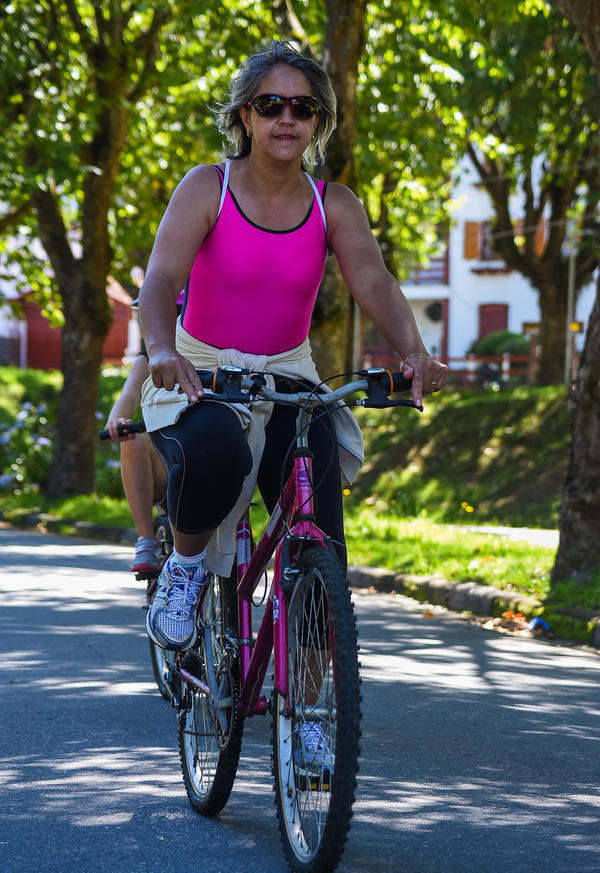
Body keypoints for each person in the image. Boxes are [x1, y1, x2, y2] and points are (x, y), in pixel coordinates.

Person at [138, 40, 448, 658]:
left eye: (302, 109)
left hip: (288, 374)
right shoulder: (207, 187)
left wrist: (414, 350)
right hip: (201, 370)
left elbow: (374, 283)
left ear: (318, 123)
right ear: (245, 115)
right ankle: (188, 567)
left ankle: (309, 716)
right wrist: (159, 348)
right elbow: (160, 282)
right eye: (271, 104)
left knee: (317, 522)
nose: (287, 119)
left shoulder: (335, 203)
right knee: (218, 453)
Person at [104, 350, 168, 573]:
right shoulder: (150, 357)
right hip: (167, 463)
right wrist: (115, 421)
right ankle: (146, 540)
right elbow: (130, 396)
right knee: (132, 436)